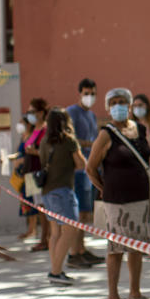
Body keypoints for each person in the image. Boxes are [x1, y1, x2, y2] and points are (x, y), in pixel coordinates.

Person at [85, 88, 150, 299]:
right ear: (108, 108)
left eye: (122, 102)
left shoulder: (140, 129)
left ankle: (135, 294)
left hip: (140, 200)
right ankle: (112, 298)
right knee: (116, 249)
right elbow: (90, 168)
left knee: (137, 248)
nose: (118, 106)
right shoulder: (106, 134)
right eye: (113, 102)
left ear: (129, 105)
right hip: (116, 203)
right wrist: (104, 189)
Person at [39, 108, 87, 285]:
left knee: (55, 233)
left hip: (47, 192)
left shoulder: (44, 141)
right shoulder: (68, 141)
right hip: (63, 191)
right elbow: (81, 164)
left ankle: (56, 270)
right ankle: (55, 271)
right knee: (70, 230)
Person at [65, 78, 105, 267]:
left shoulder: (91, 115)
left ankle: (81, 248)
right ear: (79, 93)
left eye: (92, 93)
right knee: (79, 213)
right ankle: (74, 253)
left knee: (85, 213)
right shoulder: (71, 113)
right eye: (86, 93)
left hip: (90, 167)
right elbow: (70, 139)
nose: (89, 97)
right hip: (78, 169)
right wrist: (93, 145)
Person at [22, 99, 50, 251]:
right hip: (30, 173)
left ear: (40, 112)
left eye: (32, 111)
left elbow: (46, 153)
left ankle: (45, 239)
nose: (29, 115)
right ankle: (43, 237)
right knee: (38, 208)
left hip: (39, 173)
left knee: (43, 207)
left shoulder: (45, 130)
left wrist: (33, 151)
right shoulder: (33, 129)